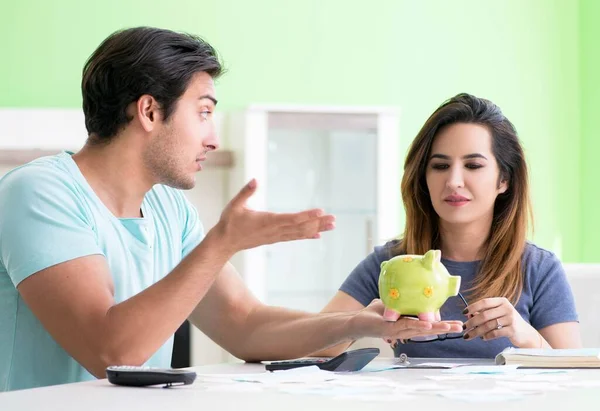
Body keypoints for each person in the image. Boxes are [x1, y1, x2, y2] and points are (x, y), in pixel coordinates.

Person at [0, 27, 462, 392]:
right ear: (148, 111)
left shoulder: (169, 209)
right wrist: (222, 243)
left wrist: (360, 324)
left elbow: (243, 325)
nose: (214, 137)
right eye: (203, 111)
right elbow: (111, 352)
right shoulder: (39, 192)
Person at [317, 93, 581, 359]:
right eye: (440, 165)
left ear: (504, 180)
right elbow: (316, 348)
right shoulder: (389, 264)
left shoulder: (539, 269)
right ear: (424, 178)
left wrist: (527, 336)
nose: (454, 180)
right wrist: (360, 324)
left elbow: (576, 372)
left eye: (473, 165)